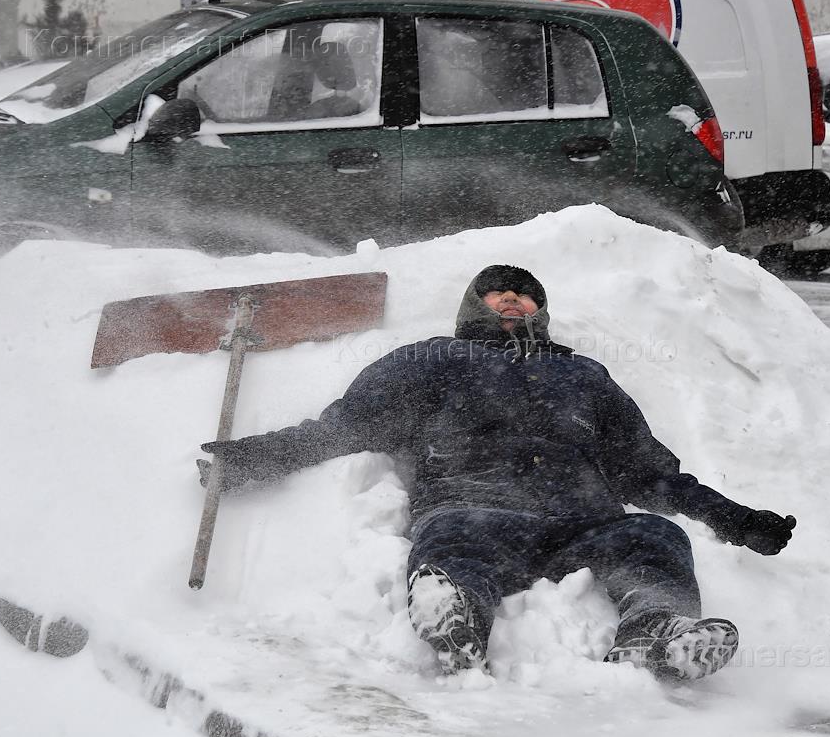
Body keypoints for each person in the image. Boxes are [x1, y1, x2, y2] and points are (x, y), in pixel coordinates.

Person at [201, 265, 796, 680]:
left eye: (525, 293)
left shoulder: (584, 375)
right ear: (472, 305)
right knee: (453, 536)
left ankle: (657, 631)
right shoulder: (432, 359)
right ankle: (456, 615)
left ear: (542, 311)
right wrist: (252, 458)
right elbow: (345, 426)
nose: (512, 297)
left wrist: (738, 520)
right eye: (496, 291)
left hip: (583, 521)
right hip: (474, 507)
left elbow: (647, 471)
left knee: (655, 536)